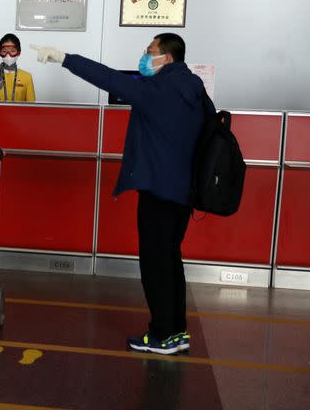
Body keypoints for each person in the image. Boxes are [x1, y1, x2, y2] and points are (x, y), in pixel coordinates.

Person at [32, 34, 215, 355]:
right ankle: (177, 332)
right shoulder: (195, 89)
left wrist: (63, 58)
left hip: (159, 190)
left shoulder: (159, 89)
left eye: (150, 52)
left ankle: (161, 335)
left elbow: (109, 78)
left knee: (156, 264)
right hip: (184, 193)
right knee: (171, 260)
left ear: (167, 58)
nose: (144, 56)